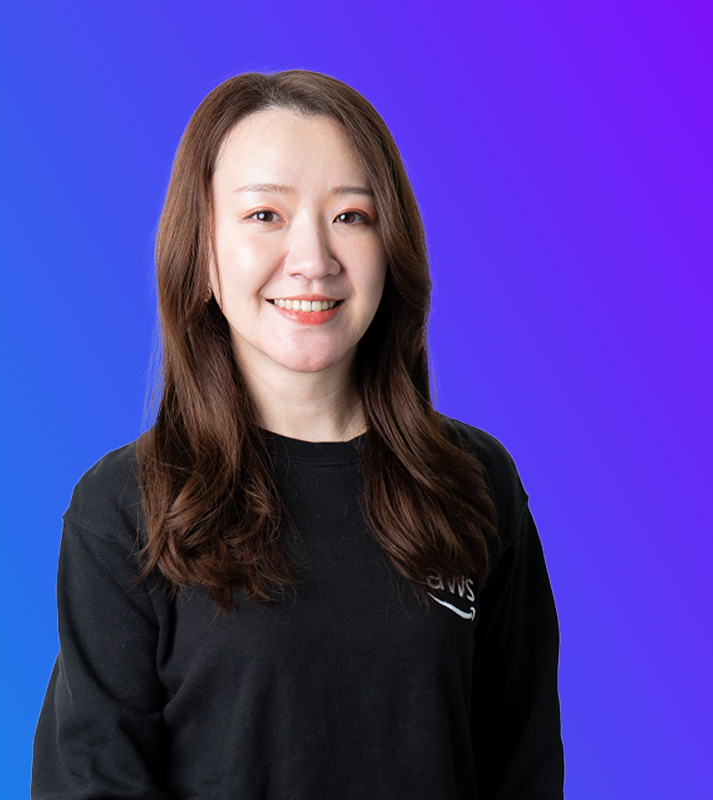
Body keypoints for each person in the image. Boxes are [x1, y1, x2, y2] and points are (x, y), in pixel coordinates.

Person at [31, 70, 563, 799]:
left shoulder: (474, 481)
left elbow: (525, 767)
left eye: (352, 215)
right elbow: (93, 782)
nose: (313, 259)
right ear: (203, 251)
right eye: (265, 216)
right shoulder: (125, 508)